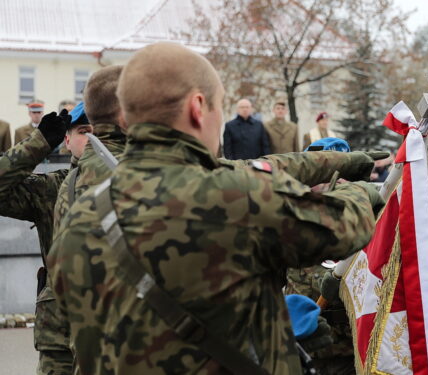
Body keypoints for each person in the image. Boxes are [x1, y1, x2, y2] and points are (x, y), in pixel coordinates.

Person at [47, 42, 384, 375]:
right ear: (197, 107)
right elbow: (345, 226)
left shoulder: (79, 217)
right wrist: (361, 191)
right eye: (219, 105)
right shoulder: (236, 196)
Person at [0, 105, 91, 375]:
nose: (93, 139)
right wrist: (39, 144)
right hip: (60, 334)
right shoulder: (53, 188)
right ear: (66, 140)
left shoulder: (133, 183)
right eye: (84, 131)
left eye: (101, 132)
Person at [287, 137, 357, 375]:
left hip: (349, 345)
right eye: (324, 172)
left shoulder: (365, 219)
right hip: (301, 342)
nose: (332, 181)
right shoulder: (285, 217)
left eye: (340, 173)